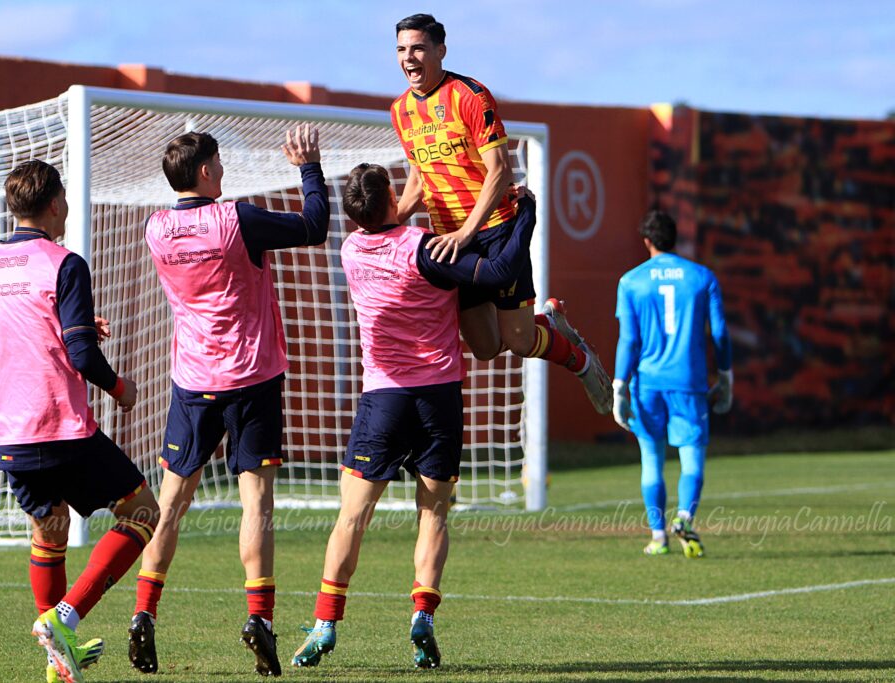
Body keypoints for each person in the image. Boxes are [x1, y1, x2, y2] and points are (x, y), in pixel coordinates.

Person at [292, 163, 536, 670]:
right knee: (433, 513)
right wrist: (525, 215)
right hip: (437, 398)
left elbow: (389, 222)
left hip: (382, 399)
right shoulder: (426, 249)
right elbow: (500, 272)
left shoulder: (350, 249)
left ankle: (324, 624)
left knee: (352, 519)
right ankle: (423, 615)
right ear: (388, 200)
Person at [129, 125, 328, 678]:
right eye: (218, 163)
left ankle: (143, 614)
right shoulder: (235, 218)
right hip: (252, 377)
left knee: (170, 505)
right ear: (207, 172)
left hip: (193, 381)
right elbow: (315, 226)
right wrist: (308, 167)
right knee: (255, 505)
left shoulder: (155, 228)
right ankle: (260, 620)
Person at [0, 159, 161, 683]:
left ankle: (57, 660)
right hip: (59, 424)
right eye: (66, 201)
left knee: (49, 533)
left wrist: (63, 336)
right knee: (143, 512)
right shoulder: (65, 263)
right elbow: (80, 355)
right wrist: (121, 388)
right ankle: (65, 617)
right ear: (54, 204)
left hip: (6, 429)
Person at [390, 13, 611, 415]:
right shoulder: (400, 110)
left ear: (440, 50)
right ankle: (549, 322)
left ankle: (579, 360)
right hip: (452, 241)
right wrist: (392, 219)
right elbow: (420, 175)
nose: (409, 58)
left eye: (418, 48)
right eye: (402, 49)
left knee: (522, 343)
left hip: (495, 230)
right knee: (487, 348)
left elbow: (500, 171)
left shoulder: (470, 96)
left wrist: (465, 232)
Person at [612, 210, 733, 557]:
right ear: (674, 239)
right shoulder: (701, 277)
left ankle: (658, 537)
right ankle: (684, 517)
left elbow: (629, 340)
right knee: (691, 457)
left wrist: (621, 384)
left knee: (651, 459)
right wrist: (725, 375)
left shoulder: (631, 281)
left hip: (646, 384)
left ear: (647, 241)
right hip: (689, 383)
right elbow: (721, 333)